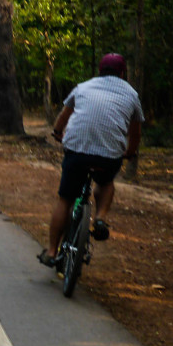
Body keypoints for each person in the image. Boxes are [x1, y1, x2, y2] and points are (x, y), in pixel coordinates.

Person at [37, 53, 143, 267]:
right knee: (105, 183)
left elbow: (63, 116)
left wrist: (58, 133)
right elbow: (136, 132)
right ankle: (101, 217)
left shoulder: (83, 87)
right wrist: (130, 153)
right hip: (109, 154)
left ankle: (51, 251)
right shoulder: (131, 94)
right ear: (123, 73)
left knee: (66, 200)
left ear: (99, 70)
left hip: (77, 150)